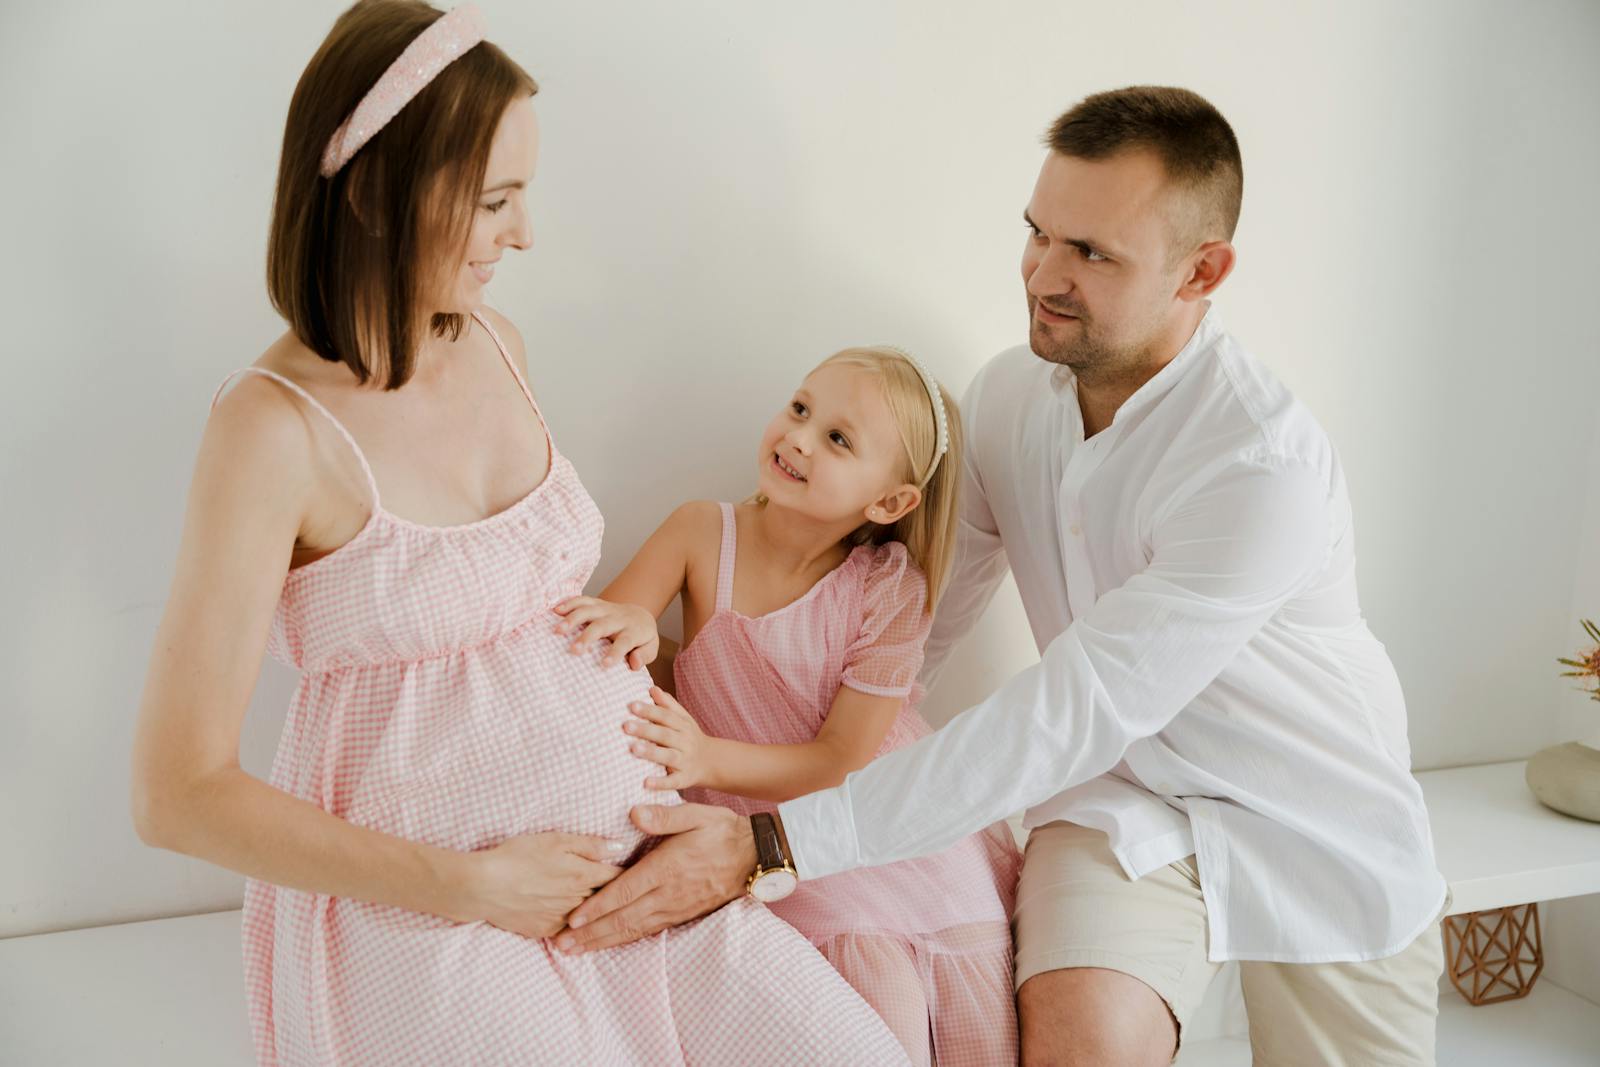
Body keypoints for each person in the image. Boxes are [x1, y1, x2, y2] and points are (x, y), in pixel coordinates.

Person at [557, 86, 1450, 1067]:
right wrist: (732, 717)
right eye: (1039, 233)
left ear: (1204, 270)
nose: (1042, 274)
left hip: (1309, 817)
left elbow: (1079, 701)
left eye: (1091, 254)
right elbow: (912, 638)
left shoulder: (1256, 465)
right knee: (1076, 1043)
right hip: (1118, 802)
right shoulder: (1008, 400)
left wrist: (779, 841)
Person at [129, 2, 908, 1062]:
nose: (524, 233)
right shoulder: (271, 431)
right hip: (441, 912)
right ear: (369, 189)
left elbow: (521, 615)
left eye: (523, 195)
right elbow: (177, 794)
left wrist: (635, 647)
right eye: (495, 199)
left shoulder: (498, 341)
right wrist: (472, 883)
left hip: (640, 872)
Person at [553, 346, 1021, 1064]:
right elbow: (601, 639)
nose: (799, 437)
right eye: (801, 408)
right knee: (880, 1026)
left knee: (977, 1039)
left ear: (890, 502)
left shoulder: (889, 588)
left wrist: (705, 755)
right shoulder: (701, 532)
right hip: (795, 854)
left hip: (889, 832)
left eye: (838, 438)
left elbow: (839, 760)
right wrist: (645, 628)